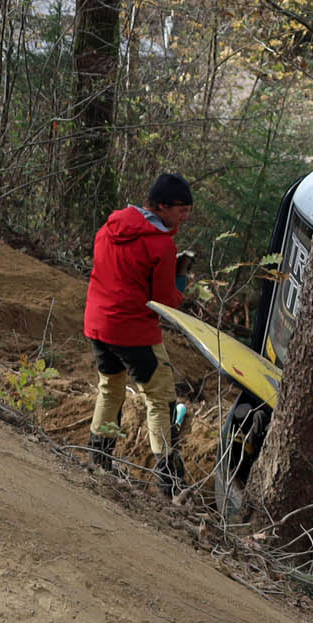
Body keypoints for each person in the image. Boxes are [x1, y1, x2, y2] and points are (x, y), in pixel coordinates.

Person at [86, 171, 195, 494]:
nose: (185, 215)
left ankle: (98, 462)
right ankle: (169, 482)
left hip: (98, 323)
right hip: (132, 330)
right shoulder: (161, 244)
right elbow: (164, 302)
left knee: (111, 387)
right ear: (161, 206)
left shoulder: (109, 227)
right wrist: (180, 284)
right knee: (160, 399)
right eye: (181, 209)